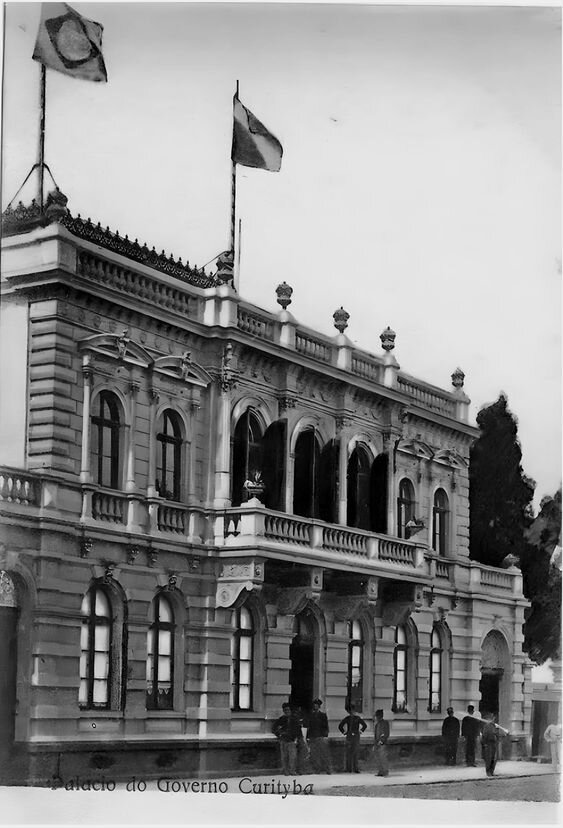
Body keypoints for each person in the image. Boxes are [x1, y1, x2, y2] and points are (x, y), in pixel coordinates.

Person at [272, 703, 303, 775]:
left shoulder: (295, 719)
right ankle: (285, 771)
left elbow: (298, 730)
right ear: (283, 711)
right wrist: (279, 735)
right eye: (285, 710)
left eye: (288, 710)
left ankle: (292, 771)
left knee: (293, 757)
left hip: (292, 740)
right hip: (284, 740)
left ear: (291, 710)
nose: (287, 711)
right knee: (284, 757)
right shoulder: (281, 719)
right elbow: (274, 729)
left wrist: (298, 739)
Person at [305, 698, 332, 774]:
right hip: (313, 737)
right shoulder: (311, 715)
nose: (315, 706)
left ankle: (328, 769)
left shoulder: (323, 715)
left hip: (321, 737)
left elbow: (326, 726)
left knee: (324, 754)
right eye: (314, 705)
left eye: (317, 705)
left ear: (319, 706)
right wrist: (308, 737)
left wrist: (325, 735)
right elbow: (309, 727)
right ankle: (317, 769)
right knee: (315, 754)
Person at [338, 703, 367, 773]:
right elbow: (340, 726)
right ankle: (349, 769)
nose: (351, 712)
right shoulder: (347, 718)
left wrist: (360, 731)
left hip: (356, 736)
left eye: (352, 710)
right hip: (349, 736)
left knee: (355, 752)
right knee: (349, 753)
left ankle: (355, 768)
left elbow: (364, 725)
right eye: (350, 711)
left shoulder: (357, 718)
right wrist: (344, 732)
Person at [480, 711, 509, 778]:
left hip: (494, 744)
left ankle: (491, 772)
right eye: (492, 718)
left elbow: (497, 734)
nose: (493, 719)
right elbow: (484, 736)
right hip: (488, 744)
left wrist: (504, 735)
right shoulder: (487, 726)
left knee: (494, 758)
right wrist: (484, 744)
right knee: (488, 759)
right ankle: (488, 772)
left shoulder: (494, 726)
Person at [373, 709, 390, 777]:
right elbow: (375, 735)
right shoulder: (377, 724)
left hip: (382, 743)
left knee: (383, 757)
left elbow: (386, 733)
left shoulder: (385, 723)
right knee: (378, 757)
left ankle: (385, 771)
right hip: (377, 743)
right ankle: (380, 771)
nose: (376, 717)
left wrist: (382, 740)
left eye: (377, 716)